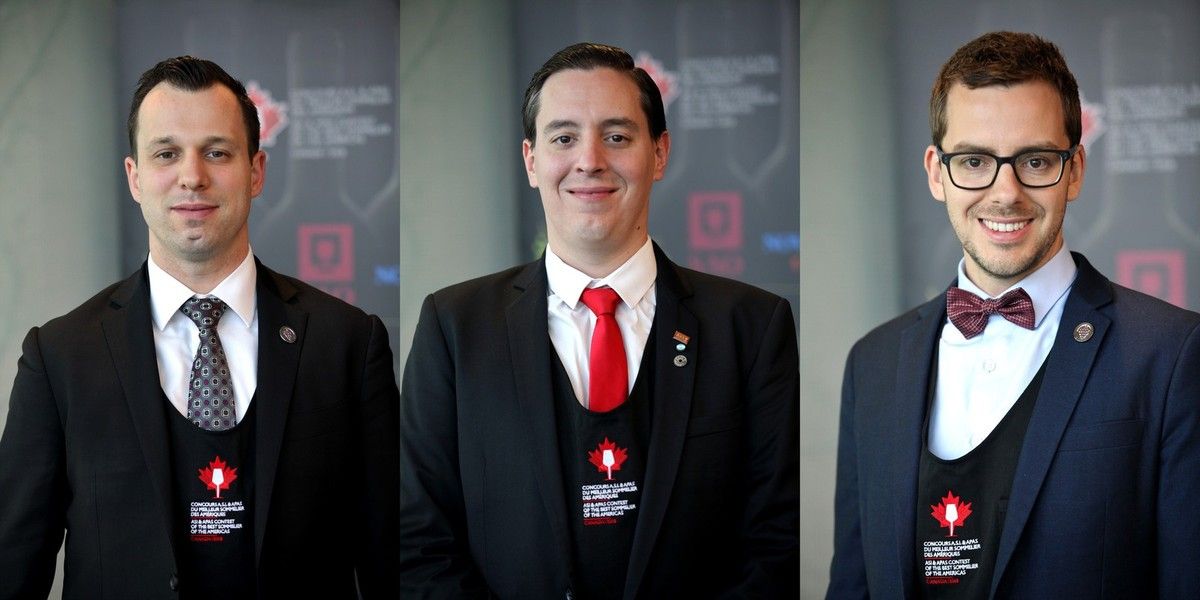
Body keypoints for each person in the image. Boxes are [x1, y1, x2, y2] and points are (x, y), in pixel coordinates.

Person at [399, 42, 798, 599]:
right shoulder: (454, 328)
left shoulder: (752, 327)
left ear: (659, 153)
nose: (589, 160)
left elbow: (776, 541)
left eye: (616, 137)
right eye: (564, 138)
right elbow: (421, 538)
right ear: (531, 161)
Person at [0, 56, 399, 599]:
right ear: (135, 177)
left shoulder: (349, 343)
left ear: (256, 172)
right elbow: (13, 564)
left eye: (217, 152)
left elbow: (390, 560)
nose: (192, 176)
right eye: (166, 153)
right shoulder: (59, 357)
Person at [827, 31, 1200, 598]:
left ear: (1075, 170)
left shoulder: (1171, 354)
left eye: (1036, 160)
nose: (1006, 193)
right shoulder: (872, 363)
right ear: (936, 173)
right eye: (974, 161)